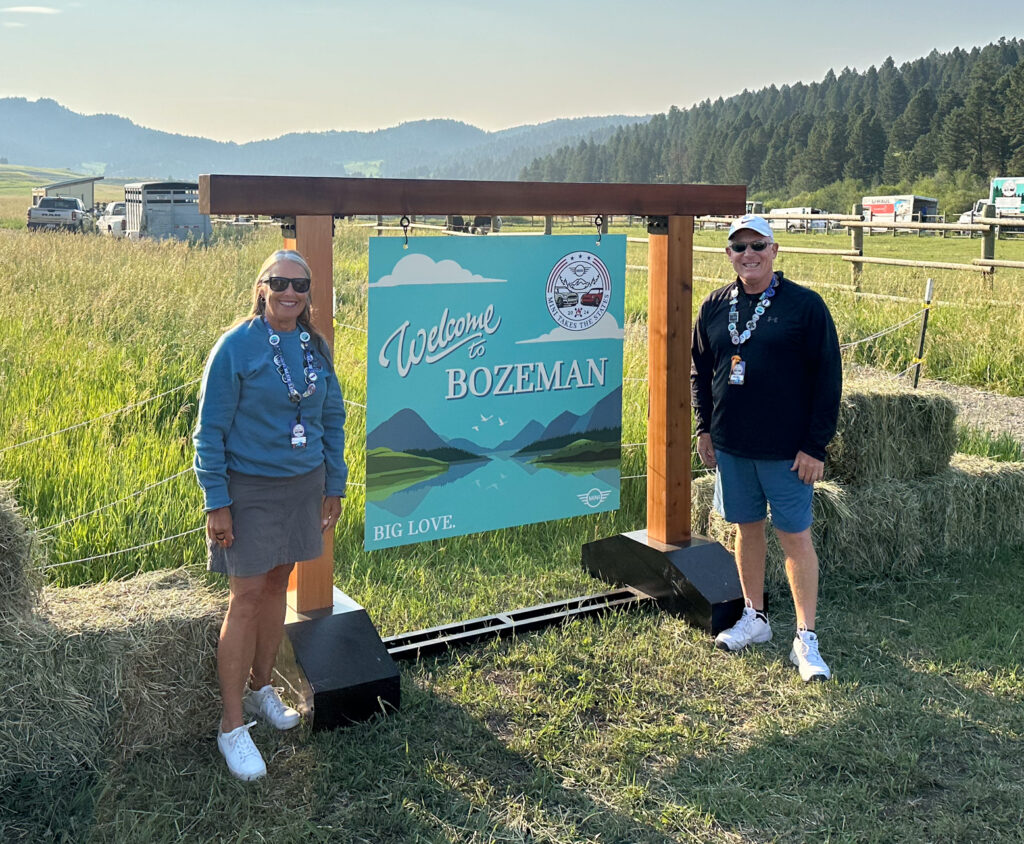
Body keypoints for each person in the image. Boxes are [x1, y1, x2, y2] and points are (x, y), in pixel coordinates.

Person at [194, 248, 347, 779]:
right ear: (262, 287)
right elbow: (209, 432)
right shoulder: (236, 346)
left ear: (309, 295)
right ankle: (231, 726)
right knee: (245, 598)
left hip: (304, 487)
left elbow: (332, 418)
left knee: (279, 583)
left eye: (300, 286)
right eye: (280, 282)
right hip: (250, 490)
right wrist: (217, 501)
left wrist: (334, 484)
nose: (290, 293)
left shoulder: (315, 347)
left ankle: (262, 688)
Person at [690, 214, 841, 682]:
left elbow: (828, 378)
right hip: (732, 447)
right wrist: (704, 428)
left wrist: (814, 446)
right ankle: (754, 617)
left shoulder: (804, 306)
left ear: (775, 250)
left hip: (788, 452)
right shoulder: (714, 305)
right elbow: (701, 371)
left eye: (758, 245)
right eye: (739, 247)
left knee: (795, 538)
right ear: (728, 255)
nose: (749, 254)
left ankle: (806, 638)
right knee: (745, 529)